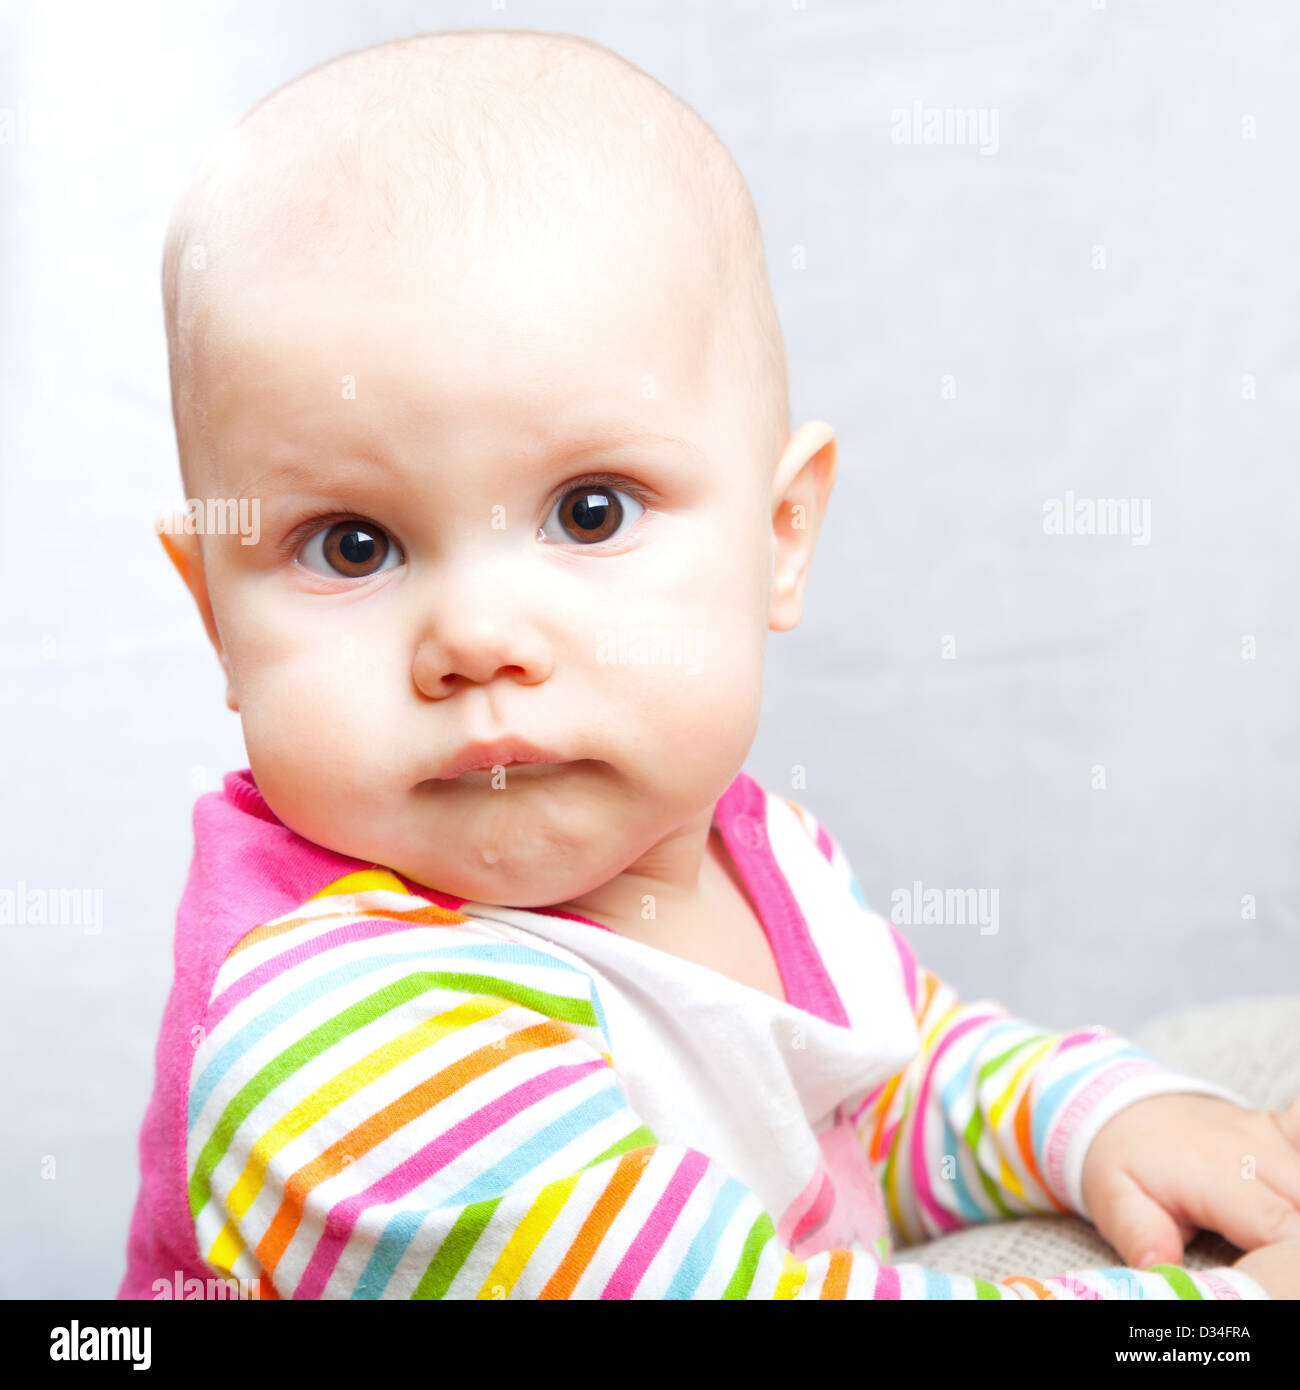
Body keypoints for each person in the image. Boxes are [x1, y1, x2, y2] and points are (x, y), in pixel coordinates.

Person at [119, 28, 1300, 1299]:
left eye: (589, 510)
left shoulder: (748, 848)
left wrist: (1101, 1117)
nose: (474, 640)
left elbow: (888, 1088)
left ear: (780, 536)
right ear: (216, 621)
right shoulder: (345, 1039)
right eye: (351, 545)